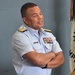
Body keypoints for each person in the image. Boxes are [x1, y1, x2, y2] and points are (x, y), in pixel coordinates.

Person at [12, 2, 64, 75]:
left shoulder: (48, 34)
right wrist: (52, 54)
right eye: (35, 16)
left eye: (40, 13)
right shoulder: (20, 36)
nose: (40, 17)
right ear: (25, 20)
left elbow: (61, 59)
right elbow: (37, 61)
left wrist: (45, 65)